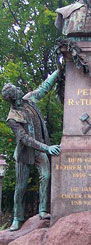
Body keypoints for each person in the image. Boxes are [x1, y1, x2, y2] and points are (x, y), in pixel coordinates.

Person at [2, 68, 61, 231]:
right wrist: (47, 148)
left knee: (46, 176)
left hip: (41, 148)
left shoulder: (29, 99)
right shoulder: (13, 117)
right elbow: (25, 139)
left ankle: (42, 210)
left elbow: (44, 87)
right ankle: (17, 218)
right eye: (16, 90)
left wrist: (59, 70)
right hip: (25, 153)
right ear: (14, 97)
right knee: (20, 187)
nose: (20, 89)